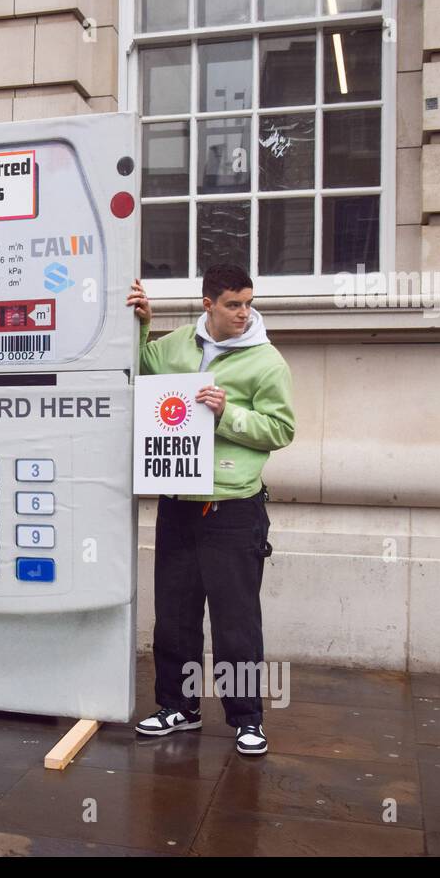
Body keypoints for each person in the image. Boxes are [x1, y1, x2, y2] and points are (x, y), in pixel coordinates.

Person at [128, 264, 295, 755]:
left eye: (248, 303)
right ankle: (177, 707)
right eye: (233, 304)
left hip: (233, 508)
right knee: (174, 615)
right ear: (208, 304)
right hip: (177, 501)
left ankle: (247, 718)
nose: (245, 313)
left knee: (235, 620)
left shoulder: (267, 362)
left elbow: (282, 429)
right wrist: (141, 323)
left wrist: (228, 413)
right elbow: (136, 369)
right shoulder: (177, 345)